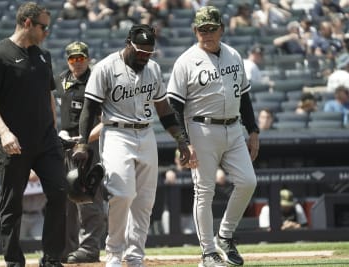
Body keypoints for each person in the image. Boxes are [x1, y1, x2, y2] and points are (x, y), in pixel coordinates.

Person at [73, 24, 193, 267]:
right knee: (122, 194)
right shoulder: (106, 67)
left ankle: (135, 256)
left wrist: (181, 139)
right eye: (140, 51)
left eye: (148, 53)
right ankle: (114, 254)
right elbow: (89, 109)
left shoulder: (153, 68)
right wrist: (83, 143)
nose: (144, 57)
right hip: (117, 133)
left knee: (145, 200)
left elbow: (163, 109)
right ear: (128, 42)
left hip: (146, 133)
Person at [0, 2, 67, 267]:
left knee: (61, 192)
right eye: (43, 27)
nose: (47, 32)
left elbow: (48, 96)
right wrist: (4, 133)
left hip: (46, 141)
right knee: (12, 205)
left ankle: (51, 259)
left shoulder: (43, 56)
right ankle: (14, 261)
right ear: (27, 23)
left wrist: (54, 128)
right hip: (13, 143)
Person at [167, 6, 259, 267]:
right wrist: (183, 142)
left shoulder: (233, 55)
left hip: (233, 128)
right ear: (195, 30)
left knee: (248, 181)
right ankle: (208, 252)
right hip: (201, 129)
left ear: (222, 28)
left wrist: (253, 130)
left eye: (211, 28)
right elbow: (174, 106)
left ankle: (225, 234)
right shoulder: (185, 60)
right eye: (201, 29)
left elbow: (244, 96)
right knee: (204, 191)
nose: (206, 33)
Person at [55, 41, 106, 264]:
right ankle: (67, 248)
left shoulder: (97, 81)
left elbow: (107, 119)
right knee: (66, 198)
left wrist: (85, 141)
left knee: (88, 198)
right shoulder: (60, 80)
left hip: (90, 144)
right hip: (65, 143)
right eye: (73, 59)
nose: (77, 62)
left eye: (81, 58)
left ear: (88, 58)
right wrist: (61, 135)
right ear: (68, 60)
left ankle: (90, 248)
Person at [20, 170, 46, 241]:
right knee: (17, 243)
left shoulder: (46, 174)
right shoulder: (20, 170)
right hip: (21, 216)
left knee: (40, 242)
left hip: (38, 216)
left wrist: (38, 176)